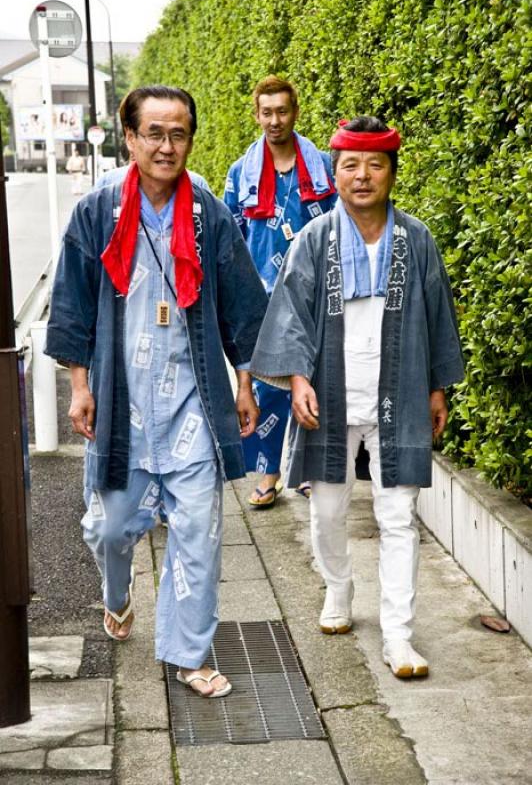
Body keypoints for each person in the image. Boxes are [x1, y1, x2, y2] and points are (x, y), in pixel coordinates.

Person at [46, 85, 268, 698]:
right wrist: (78, 386)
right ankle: (116, 597)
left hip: (193, 397)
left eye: (179, 134)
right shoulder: (95, 211)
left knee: (199, 529)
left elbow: (242, 305)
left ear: (189, 139)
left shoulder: (208, 213)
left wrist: (244, 383)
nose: (167, 146)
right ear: (131, 137)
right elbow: (71, 306)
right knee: (111, 529)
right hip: (122, 400)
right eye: (155, 133)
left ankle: (189, 653)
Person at [250, 116, 464, 678]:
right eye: (350, 165)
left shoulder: (415, 239)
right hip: (331, 394)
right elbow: (291, 314)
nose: (363, 176)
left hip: (399, 392)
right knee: (327, 512)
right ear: (335, 172)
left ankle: (399, 636)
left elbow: (437, 314)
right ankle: (338, 589)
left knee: (399, 516)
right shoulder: (314, 239)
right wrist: (297, 379)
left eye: (375, 165)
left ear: (392, 172)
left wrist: (437, 386)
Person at [224, 76, 337, 508]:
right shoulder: (242, 172)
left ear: (296, 112)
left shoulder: (323, 166)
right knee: (268, 387)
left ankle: (307, 470)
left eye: (282, 111)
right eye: (266, 112)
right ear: (257, 115)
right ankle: (269, 474)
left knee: (314, 379)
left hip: (314, 292)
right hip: (263, 295)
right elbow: (233, 238)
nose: (275, 120)